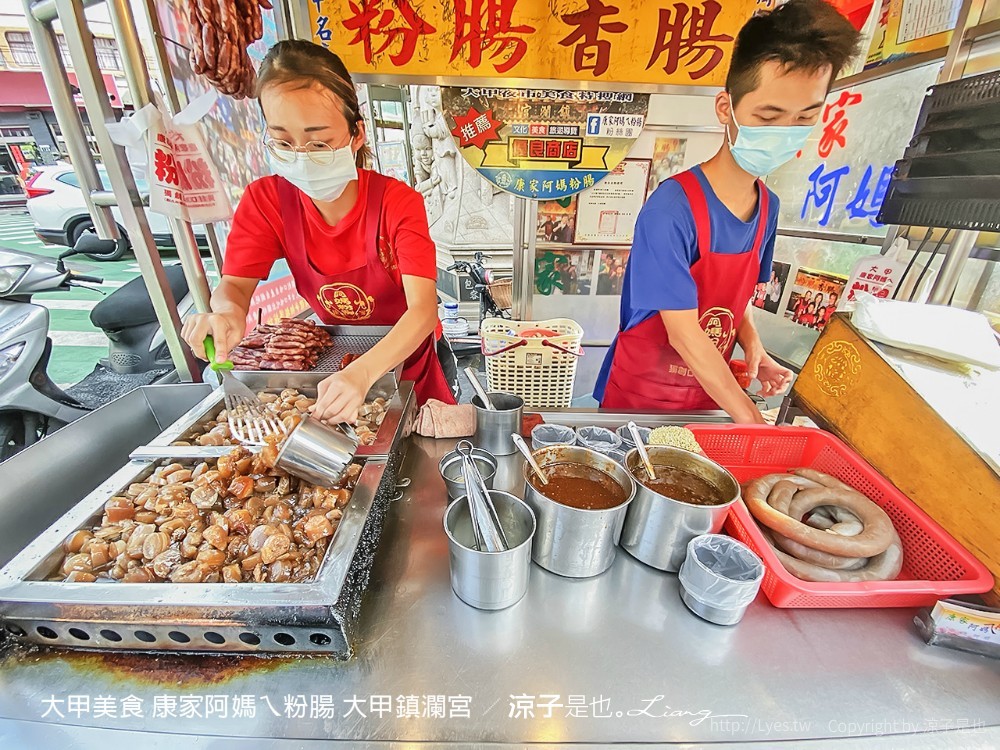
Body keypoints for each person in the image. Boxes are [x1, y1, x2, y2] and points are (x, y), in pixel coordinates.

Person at [594, 0, 859, 422]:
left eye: (804, 117)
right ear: (726, 108)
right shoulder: (670, 209)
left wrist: (755, 347)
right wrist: (749, 415)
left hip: (709, 394)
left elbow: (735, 303)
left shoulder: (768, 207)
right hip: (644, 400)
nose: (785, 133)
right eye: (768, 116)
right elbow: (682, 330)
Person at [182, 41, 456, 424]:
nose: (301, 155)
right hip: (331, 368)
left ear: (356, 134)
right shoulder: (266, 201)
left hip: (405, 358)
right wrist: (225, 315)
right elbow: (235, 287)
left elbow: (423, 311)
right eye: (282, 141)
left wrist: (362, 372)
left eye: (320, 141)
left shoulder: (397, 202)